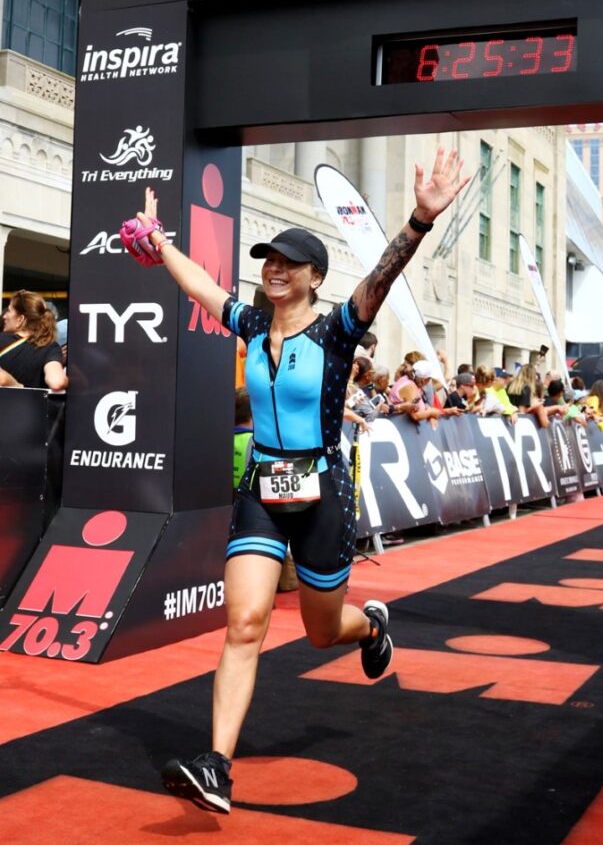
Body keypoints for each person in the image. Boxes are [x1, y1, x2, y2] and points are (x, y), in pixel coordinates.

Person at [126, 146, 469, 814]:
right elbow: (198, 283)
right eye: (267, 261)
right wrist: (161, 243)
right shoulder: (250, 324)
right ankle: (216, 765)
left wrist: (419, 222)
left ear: (314, 276)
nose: (273, 269)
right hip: (259, 490)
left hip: (322, 496)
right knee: (245, 622)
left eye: (287, 262)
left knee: (319, 631)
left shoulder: (338, 331)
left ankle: (368, 629)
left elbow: (381, 275)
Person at [0, 290, 68, 391]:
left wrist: (17, 386)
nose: (4, 316)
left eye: (9, 311)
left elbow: (3, 379)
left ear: (20, 319)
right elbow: (57, 382)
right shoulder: (50, 348)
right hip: (28, 406)